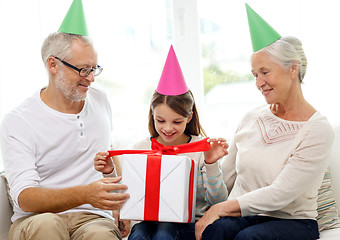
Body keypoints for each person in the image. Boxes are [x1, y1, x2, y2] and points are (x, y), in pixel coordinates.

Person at [194, 4, 334, 240]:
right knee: (217, 230)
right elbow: (226, 184)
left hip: (293, 220)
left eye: (265, 72)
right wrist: (210, 168)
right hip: (245, 216)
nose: (258, 83)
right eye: (254, 75)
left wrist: (219, 209)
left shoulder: (318, 130)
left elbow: (281, 193)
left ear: (292, 69)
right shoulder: (250, 118)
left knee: (249, 238)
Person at [0, 1, 129, 240]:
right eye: (83, 70)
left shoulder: (100, 100)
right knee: (49, 226)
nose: (91, 78)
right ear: (53, 65)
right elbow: (25, 198)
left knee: (100, 236)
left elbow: (109, 152)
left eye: (94, 69)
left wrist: (122, 208)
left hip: (92, 218)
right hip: (36, 219)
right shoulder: (19, 120)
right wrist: (85, 195)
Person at [94, 45, 229, 240]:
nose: (167, 128)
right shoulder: (141, 148)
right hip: (147, 224)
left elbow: (218, 201)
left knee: (165, 231)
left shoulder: (201, 149)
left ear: (189, 117)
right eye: (160, 120)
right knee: (139, 233)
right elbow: (128, 196)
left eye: (177, 122)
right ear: (152, 115)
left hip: (188, 226)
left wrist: (211, 164)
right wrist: (109, 172)